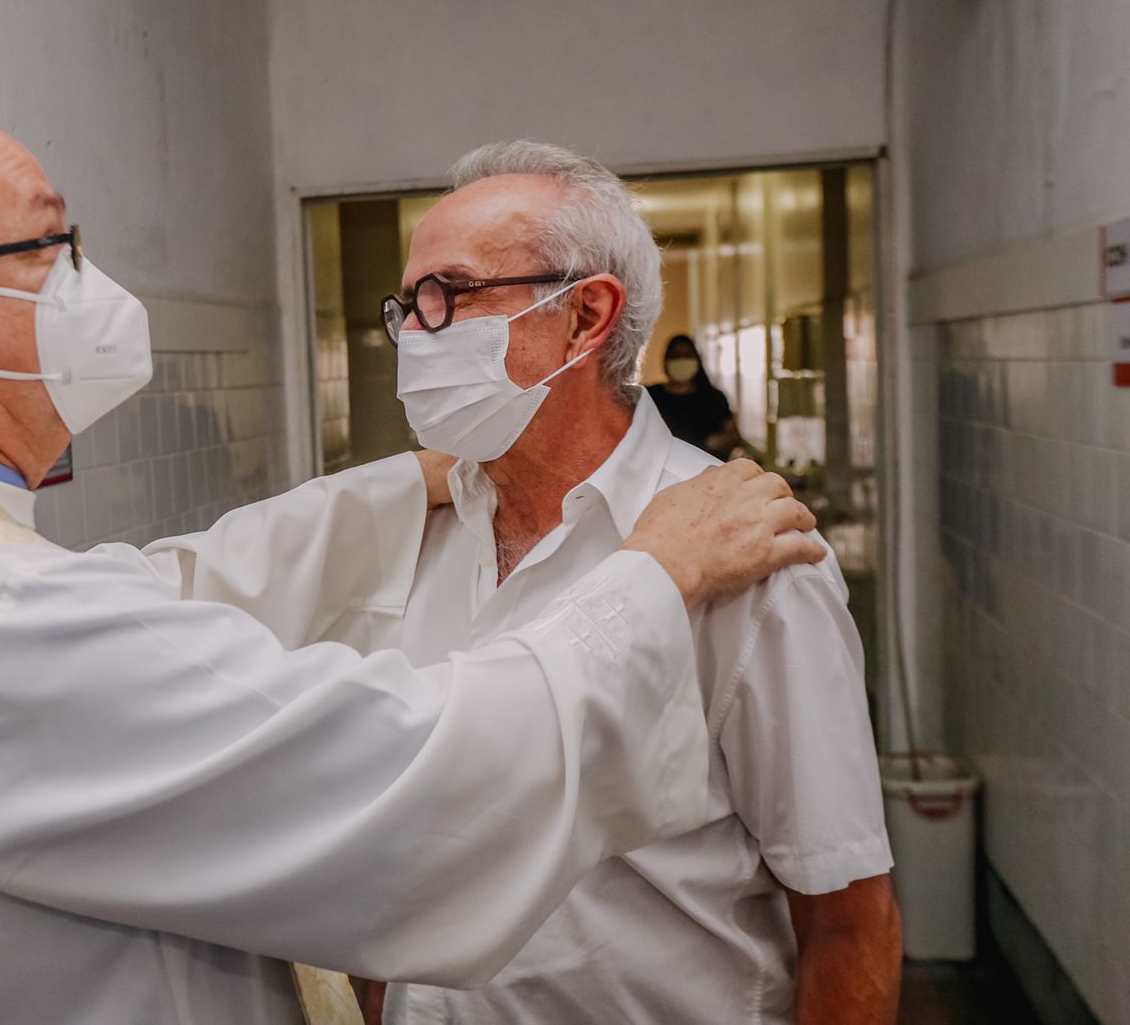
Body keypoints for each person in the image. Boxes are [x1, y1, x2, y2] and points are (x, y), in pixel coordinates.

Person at [0, 63, 825, 1025]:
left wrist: (398, 488)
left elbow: (171, 593)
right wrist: (654, 575)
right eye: (48, 245)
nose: (90, 283)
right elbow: (422, 782)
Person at [370, 142, 900, 1025]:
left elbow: (847, 920)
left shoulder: (750, 555)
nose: (416, 336)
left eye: (450, 295)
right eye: (408, 306)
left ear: (586, 316)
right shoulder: (416, 528)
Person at [646, 333, 743, 459]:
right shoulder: (650, 396)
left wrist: (721, 442)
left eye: (688, 355)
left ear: (697, 360)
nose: (681, 361)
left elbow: (733, 436)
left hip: (707, 466)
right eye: (675, 356)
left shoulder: (714, 398)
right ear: (665, 361)